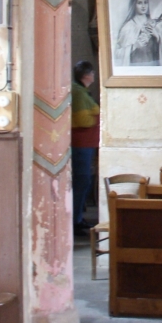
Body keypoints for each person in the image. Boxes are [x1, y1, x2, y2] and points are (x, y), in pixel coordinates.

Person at [71, 60, 100, 237]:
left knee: (84, 181)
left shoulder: (81, 91)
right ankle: (75, 220)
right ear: (86, 75)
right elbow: (83, 120)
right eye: (92, 73)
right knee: (82, 181)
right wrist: (96, 117)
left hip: (86, 143)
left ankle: (78, 217)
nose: (94, 75)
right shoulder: (79, 93)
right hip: (81, 143)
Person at [114, 0, 162, 67]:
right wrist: (134, 46)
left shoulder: (154, 25)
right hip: (136, 70)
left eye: (145, 2)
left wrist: (157, 37)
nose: (143, 6)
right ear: (134, 5)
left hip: (153, 69)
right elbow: (117, 53)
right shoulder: (128, 27)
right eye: (139, 3)